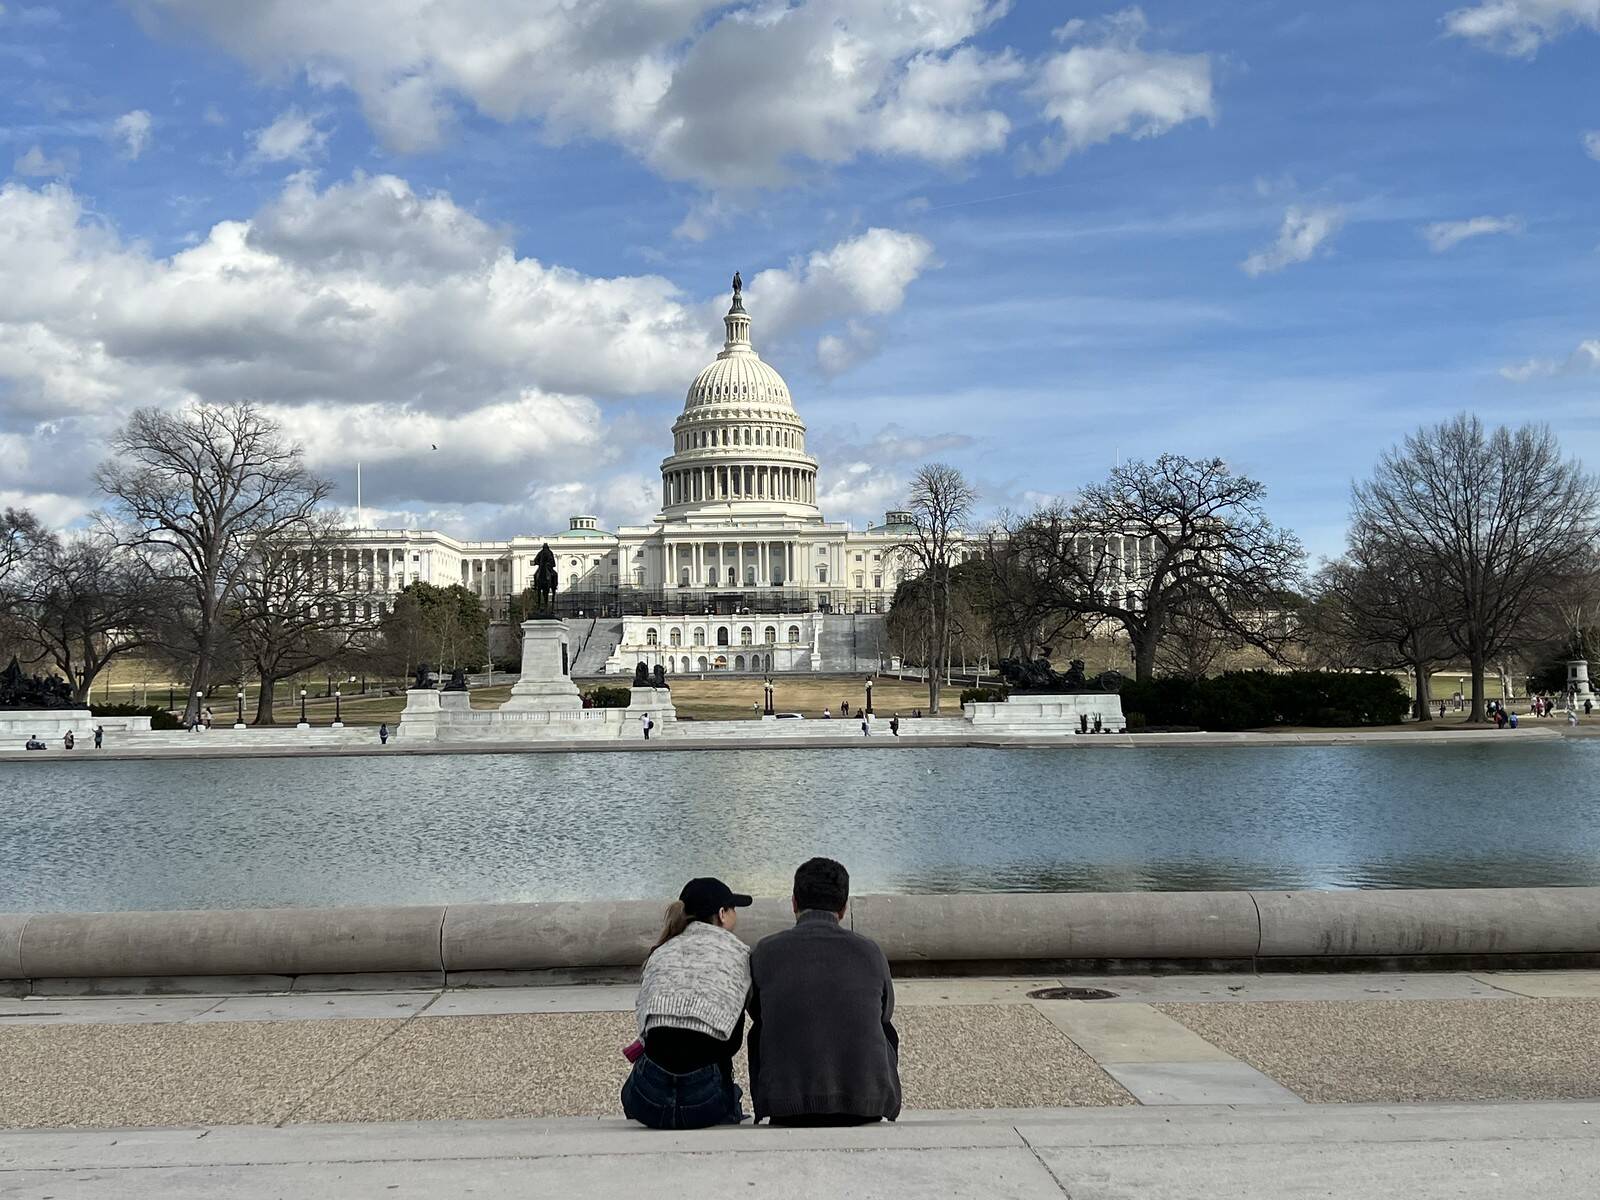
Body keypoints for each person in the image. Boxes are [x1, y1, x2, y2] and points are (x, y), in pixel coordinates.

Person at [747, 858, 900, 1126]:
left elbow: (756, 1011)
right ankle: (869, 1088)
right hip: (863, 1105)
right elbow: (886, 1012)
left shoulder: (765, 951)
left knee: (763, 1026)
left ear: (794, 903)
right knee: (883, 1026)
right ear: (843, 908)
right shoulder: (870, 952)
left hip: (786, 1105)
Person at [621, 877, 753, 1130]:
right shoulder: (738, 954)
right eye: (733, 908)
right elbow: (732, 1043)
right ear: (722, 914)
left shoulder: (660, 952)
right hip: (704, 1103)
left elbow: (645, 1032)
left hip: (649, 1100)